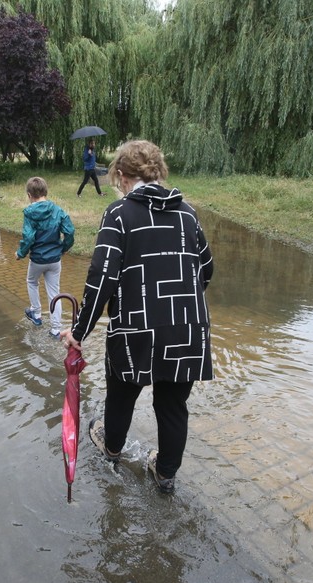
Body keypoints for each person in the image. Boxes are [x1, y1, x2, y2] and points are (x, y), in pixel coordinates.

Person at [60, 140, 213, 494]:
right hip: (187, 330)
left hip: (135, 331)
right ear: (158, 173)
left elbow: (101, 279)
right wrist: (180, 308)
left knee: (122, 396)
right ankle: (165, 474)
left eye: (119, 179)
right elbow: (206, 269)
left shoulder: (119, 214)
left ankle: (111, 447)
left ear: (124, 176)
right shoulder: (188, 213)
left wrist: (79, 331)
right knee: (173, 406)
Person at [16, 177, 75, 339]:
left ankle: (36, 313)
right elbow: (69, 232)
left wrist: (20, 253)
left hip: (37, 260)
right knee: (54, 293)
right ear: (45, 192)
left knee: (32, 282)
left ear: (29, 195)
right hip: (55, 260)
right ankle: (56, 329)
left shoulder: (29, 213)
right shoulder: (57, 210)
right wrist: (63, 248)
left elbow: (28, 237)